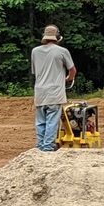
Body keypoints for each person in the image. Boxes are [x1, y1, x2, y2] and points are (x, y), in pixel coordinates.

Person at [30, 25, 77, 153]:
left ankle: (40, 147)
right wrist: (68, 79)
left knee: (40, 122)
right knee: (52, 121)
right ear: (57, 37)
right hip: (55, 93)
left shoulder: (35, 51)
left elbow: (35, 72)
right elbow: (72, 70)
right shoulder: (62, 51)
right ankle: (48, 148)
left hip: (39, 92)